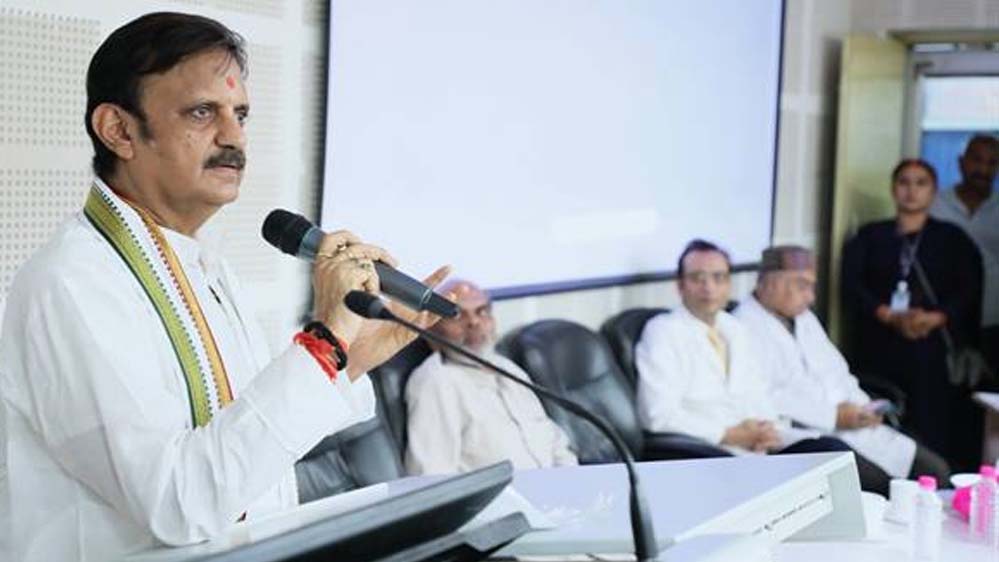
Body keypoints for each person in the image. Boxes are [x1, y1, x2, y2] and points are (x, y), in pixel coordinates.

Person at [0, 13, 446, 561]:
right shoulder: (72, 284)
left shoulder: (206, 267)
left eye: (241, 114)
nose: (234, 137)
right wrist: (322, 344)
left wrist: (345, 360)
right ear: (119, 130)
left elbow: (247, 455)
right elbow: (179, 503)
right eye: (202, 112)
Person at [735, 245, 950, 493]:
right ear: (769, 283)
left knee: (936, 471)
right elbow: (765, 398)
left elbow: (838, 371)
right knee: (887, 488)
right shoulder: (741, 326)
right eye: (802, 286)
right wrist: (832, 416)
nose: (811, 297)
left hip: (852, 426)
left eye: (811, 287)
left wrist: (864, 408)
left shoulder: (803, 318)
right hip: (807, 438)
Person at [635, 240, 854, 461]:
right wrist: (729, 434)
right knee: (831, 459)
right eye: (697, 278)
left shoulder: (734, 328)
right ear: (680, 285)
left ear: (729, 284)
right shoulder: (662, 332)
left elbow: (757, 392)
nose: (709, 287)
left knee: (835, 452)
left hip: (759, 444)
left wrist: (765, 428)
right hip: (711, 451)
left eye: (718, 277)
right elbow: (657, 415)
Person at [842, 158, 983, 472]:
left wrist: (937, 317)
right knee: (882, 421)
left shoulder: (952, 238)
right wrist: (888, 315)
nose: (911, 190)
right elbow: (852, 284)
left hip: (931, 347)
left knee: (932, 420)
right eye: (904, 182)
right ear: (893, 189)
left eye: (921, 183)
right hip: (879, 344)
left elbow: (969, 288)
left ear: (933, 191)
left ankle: (932, 477)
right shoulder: (870, 235)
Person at [405, 280, 578, 475]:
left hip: (556, 488)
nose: (474, 322)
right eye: (456, 315)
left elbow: (556, 444)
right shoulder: (436, 381)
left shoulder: (508, 368)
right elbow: (431, 476)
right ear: (431, 329)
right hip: (502, 495)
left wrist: (572, 482)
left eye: (482, 312)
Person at [930, 134, 999, 371]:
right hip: (943, 316)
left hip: (993, 319)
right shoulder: (934, 204)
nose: (984, 169)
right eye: (977, 160)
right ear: (961, 162)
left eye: (992, 163)